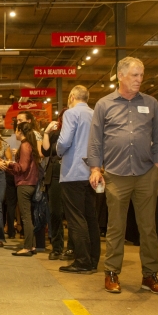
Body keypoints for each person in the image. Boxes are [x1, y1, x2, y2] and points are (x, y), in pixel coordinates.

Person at [88, 56, 158, 295]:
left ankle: (149, 275)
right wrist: (95, 168)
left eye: (141, 75)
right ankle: (112, 272)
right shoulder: (104, 104)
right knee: (115, 226)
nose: (139, 80)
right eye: (134, 75)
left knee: (148, 227)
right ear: (121, 76)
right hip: (116, 173)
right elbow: (95, 140)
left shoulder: (151, 103)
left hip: (146, 172)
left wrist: (157, 164)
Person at [56, 86, 99, 274]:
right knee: (90, 217)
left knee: (75, 218)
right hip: (92, 171)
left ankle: (82, 261)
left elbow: (64, 141)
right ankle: (93, 260)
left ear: (72, 96)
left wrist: (58, 151)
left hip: (73, 171)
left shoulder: (71, 113)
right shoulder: (95, 113)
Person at [5, 122, 40, 256]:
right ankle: (31, 245)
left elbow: (22, 167)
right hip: (30, 183)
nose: (15, 134)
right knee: (28, 216)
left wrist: (10, 164)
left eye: (16, 131)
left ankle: (27, 247)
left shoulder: (25, 145)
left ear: (19, 131)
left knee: (26, 217)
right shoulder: (30, 144)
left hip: (24, 184)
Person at [41, 108, 67, 260]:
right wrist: (46, 132)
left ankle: (73, 248)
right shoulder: (55, 133)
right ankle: (57, 247)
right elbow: (45, 152)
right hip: (55, 173)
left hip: (72, 173)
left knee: (72, 213)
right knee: (55, 212)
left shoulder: (77, 131)